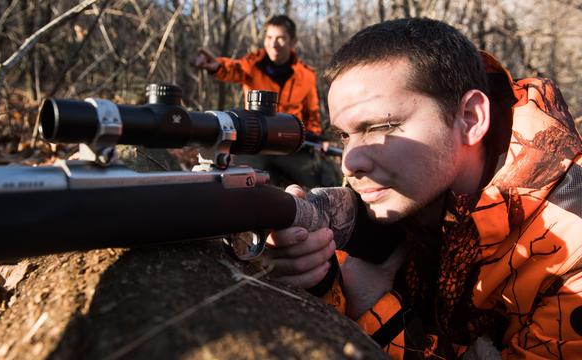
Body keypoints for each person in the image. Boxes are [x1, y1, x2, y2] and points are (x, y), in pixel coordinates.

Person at [266, 17, 582, 358]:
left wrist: (374, 307)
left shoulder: (573, 247)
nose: (348, 162)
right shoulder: (407, 192)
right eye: (344, 135)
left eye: (381, 126)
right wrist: (321, 274)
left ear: (471, 119)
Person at [195, 15, 341, 188]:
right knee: (236, 181)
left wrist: (316, 139)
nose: (273, 43)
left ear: (293, 42)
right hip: (256, 142)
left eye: (280, 38)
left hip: (290, 144)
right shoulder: (253, 64)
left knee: (325, 177)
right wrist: (217, 66)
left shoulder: (306, 74)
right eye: (269, 37)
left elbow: (312, 112)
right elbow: (233, 68)